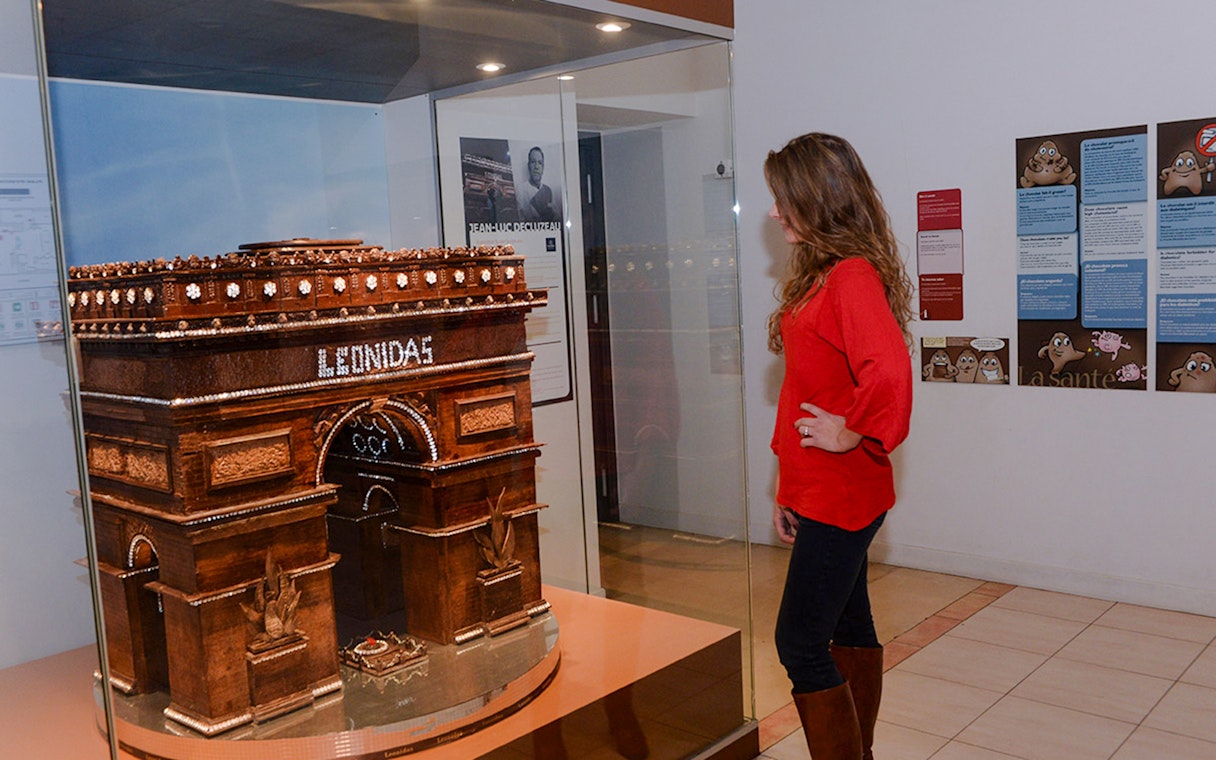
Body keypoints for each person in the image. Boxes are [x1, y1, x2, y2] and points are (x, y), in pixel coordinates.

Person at [765, 133, 914, 760]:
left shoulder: (850, 277)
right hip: (825, 488)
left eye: (783, 199)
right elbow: (804, 388)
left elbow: (891, 370)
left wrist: (850, 428)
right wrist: (786, 487)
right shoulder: (826, 273)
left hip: (842, 490)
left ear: (817, 200)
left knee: (799, 643)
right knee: (850, 627)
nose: (775, 213)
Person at [517, 146, 559, 222]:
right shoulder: (521, 190)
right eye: (533, 162)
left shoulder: (548, 190)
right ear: (528, 165)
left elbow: (555, 218)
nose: (536, 167)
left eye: (540, 163)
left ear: (543, 168)